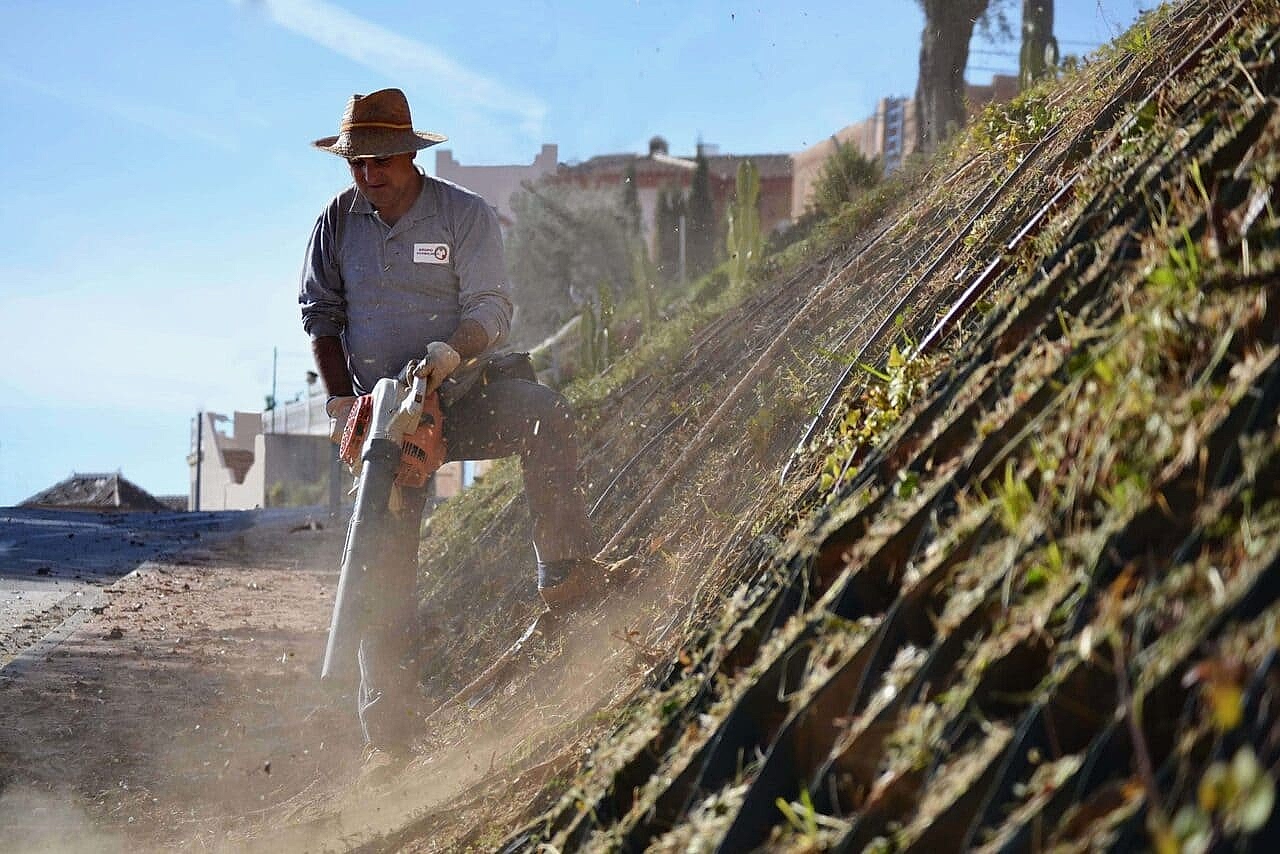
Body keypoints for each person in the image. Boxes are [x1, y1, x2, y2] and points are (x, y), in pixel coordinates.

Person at [299, 88, 614, 762]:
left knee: (546, 417)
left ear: (411, 155)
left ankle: (564, 567)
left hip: (464, 392)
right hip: (386, 420)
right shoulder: (336, 224)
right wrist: (337, 404)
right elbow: (321, 317)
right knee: (381, 568)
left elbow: (493, 305)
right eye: (356, 162)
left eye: (380, 159)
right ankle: (391, 737)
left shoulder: (462, 216)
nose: (367, 173)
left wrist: (453, 352)